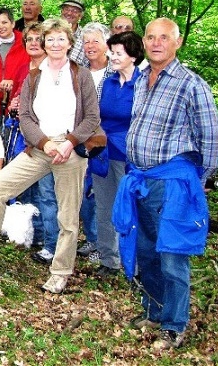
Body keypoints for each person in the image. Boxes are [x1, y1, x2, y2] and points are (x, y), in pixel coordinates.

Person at [0, 18, 101, 294]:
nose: (55, 44)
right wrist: (44, 144)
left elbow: (92, 116)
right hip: (40, 145)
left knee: (68, 216)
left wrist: (69, 143)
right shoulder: (35, 76)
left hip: (70, 148)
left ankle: (60, 271)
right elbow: (26, 115)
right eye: (50, 39)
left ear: (70, 43)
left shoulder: (80, 75)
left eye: (61, 39)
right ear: (44, 43)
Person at [114, 18, 218, 349]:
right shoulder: (143, 79)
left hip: (173, 182)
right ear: (144, 43)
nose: (157, 43)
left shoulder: (191, 84)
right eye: (151, 37)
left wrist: (200, 178)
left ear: (177, 43)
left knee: (172, 254)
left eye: (165, 38)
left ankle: (174, 324)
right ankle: (155, 311)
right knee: (146, 250)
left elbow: (212, 136)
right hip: (142, 179)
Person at [90, 30, 145, 279]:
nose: (112, 56)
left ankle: (135, 263)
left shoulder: (143, 84)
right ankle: (108, 261)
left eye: (118, 53)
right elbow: (97, 115)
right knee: (104, 207)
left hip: (130, 156)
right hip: (103, 153)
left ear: (132, 56)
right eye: (111, 52)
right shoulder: (108, 82)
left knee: (131, 209)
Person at [13, 23, 58, 266]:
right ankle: (33, 234)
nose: (33, 43)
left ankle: (51, 243)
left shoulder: (54, 71)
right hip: (22, 138)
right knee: (25, 189)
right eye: (29, 39)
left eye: (38, 39)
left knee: (46, 193)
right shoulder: (23, 68)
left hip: (45, 140)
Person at [76, 22, 114, 263]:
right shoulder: (78, 71)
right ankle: (91, 238)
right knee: (83, 192)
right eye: (86, 42)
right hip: (81, 140)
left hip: (107, 143)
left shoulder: (115, 72)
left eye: (95, 41)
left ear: (107, 45)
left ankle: (106, 246)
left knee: (103, 193)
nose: (90, 46)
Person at [60, 0, 89, 67]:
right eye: (66, 9)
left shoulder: (85, 37)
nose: (69, 13)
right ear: (62, 11)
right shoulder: (50, 31)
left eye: (74, 11)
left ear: (80, 15)